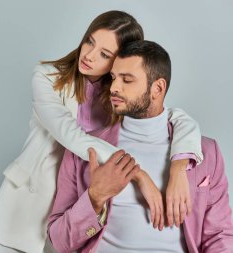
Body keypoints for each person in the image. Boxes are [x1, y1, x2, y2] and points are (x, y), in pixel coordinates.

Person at [0, 11, 203, 253]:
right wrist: (138, 174)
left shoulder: (118, 96)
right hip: (25, 210)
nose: (88, 55)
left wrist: (179, 167)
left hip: (79, 215)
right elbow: (71, 136)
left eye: (105, 54)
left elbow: (172, 116)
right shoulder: (47, 77)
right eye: (90, 41)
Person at [48, 40, 233, 253]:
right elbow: (59, 242)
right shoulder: (83, 148)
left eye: (127, 80)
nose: (114, 87)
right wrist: (95, 198)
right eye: (114, 78)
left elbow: (220, 236)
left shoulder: (207, 153)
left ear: (158, 88)